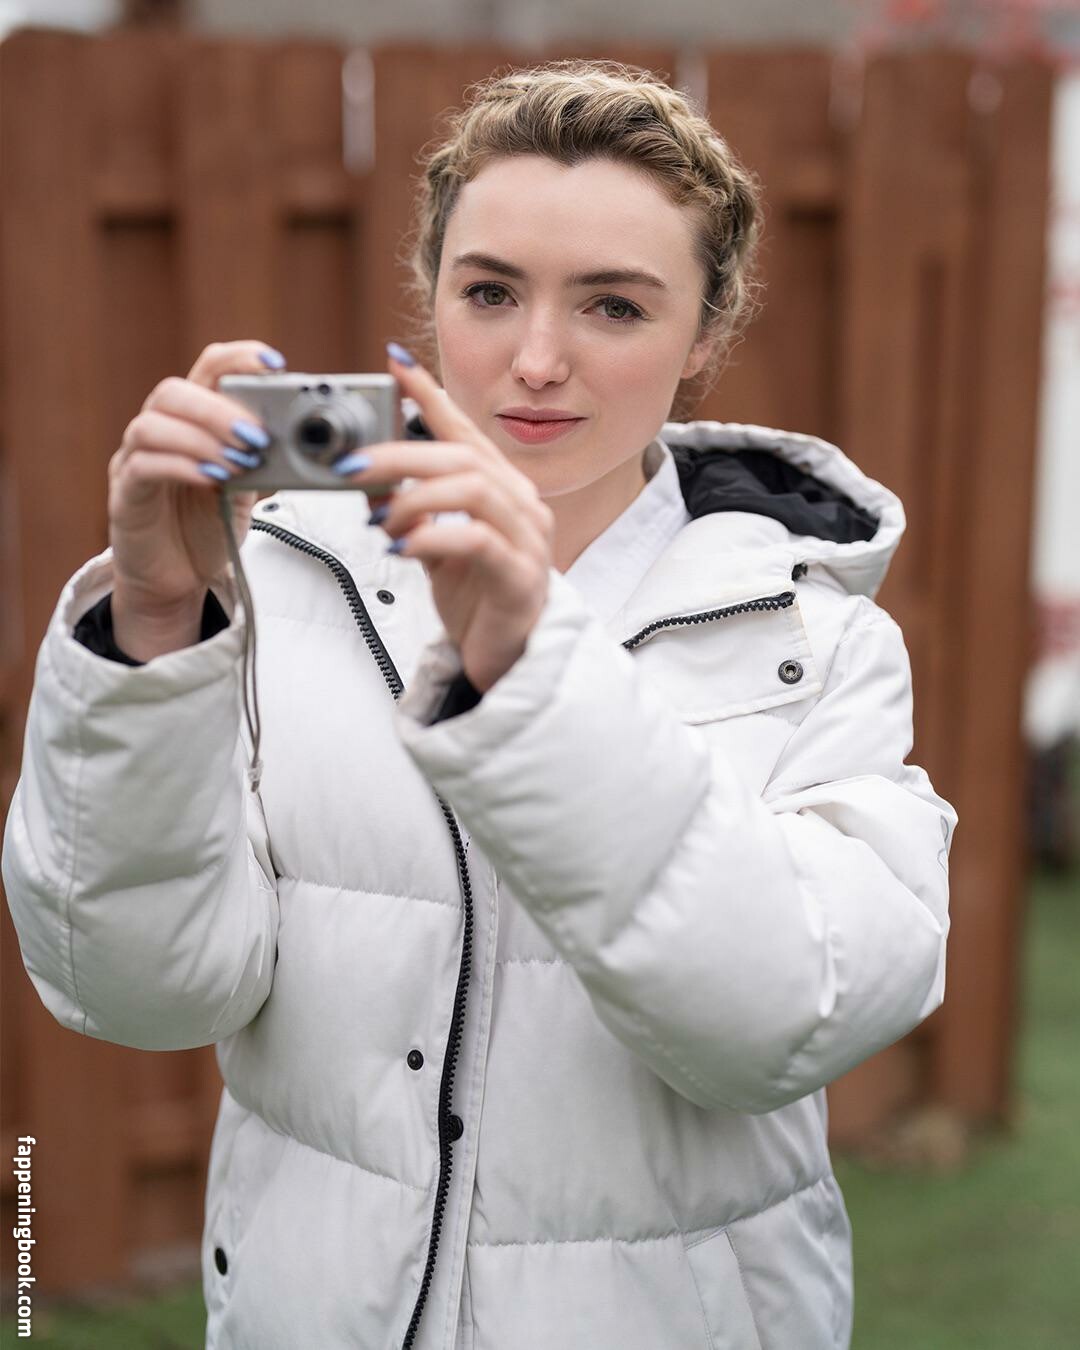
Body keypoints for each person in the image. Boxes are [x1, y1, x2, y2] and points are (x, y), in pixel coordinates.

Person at [2, 59, 956, 1350]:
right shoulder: (281, 581)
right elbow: (140, 992)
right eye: (491, 292)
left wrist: (528, 669)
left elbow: (776, 1025)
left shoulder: (819, 639)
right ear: (430, 292)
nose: (536, 361)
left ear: (707, 336)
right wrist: (156, 625)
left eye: (614, 305)